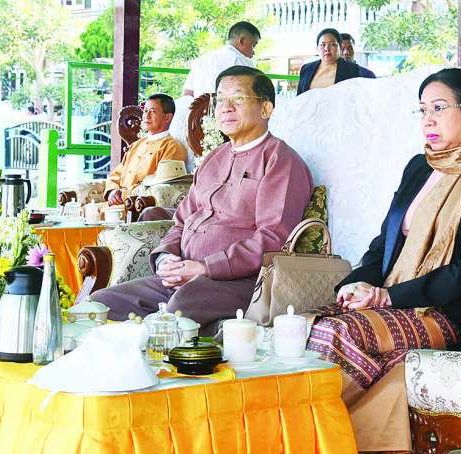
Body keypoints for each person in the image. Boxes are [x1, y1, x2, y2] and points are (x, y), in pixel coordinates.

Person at [307, 68, 461, 451]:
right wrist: (355, 284)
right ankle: (316, 437)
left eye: (439, 108)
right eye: (423, 110)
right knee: (301, 326)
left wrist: (387, 298)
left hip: (451, 312)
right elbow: (385, 242)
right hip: (394, 298)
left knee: (336, 333)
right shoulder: (420, 166)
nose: (428, 120)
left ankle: (318, 439)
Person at [89, 66, 314, 333]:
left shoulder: (280, 160)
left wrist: (206, 268)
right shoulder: (214, 158)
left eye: (238, 98)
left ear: (265, 109)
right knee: (100, 304)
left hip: (241, 282)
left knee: (178, 310)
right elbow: (181, 222)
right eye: (221, 100)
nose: (226, 108)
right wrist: (166, 258)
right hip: (183, 277)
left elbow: (273, 239)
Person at [105, 94, 189, 204]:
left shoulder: (172, 147)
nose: (146, 116)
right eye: (145, 111)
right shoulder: (136, 145)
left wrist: (123, 194)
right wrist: (112, 191)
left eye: (152, 112)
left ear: (167, 117)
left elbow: (160, 184)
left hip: (139, 205)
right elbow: (116, 174)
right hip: (116, 203)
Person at [181, 21, 259, 98]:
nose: (253, 52)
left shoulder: (201, 60)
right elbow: (253, 95)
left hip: (199, 106)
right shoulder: (243, 61)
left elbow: (187, 95)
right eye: (253, 45)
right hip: (229, 106)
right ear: (242, 41)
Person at [297, 28, 370, 94]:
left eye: (332, 44)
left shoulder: (351, 69)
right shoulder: (306, 69)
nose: (327, 49)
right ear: (317, 48)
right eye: (323, 45)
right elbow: (299, 98)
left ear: (339, 47)